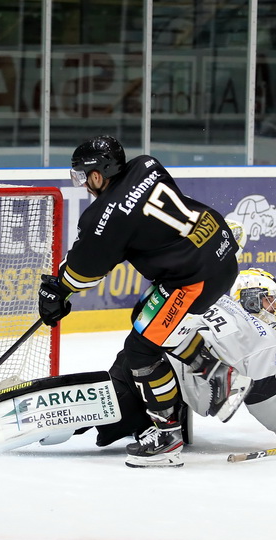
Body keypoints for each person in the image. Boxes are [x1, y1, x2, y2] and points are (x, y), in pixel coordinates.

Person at [0, 268, 276, 463]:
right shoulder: (267, 339)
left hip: (150, 371)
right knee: (82, 403)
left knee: (86, 404)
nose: (273, 308)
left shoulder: (214, 297)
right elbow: (264, 397)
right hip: (151, 377)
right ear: (247, 299)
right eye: (266, 299)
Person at [37, 135, 241, 467]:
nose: (84, 185)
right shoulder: (147, 164)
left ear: (98, 175)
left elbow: (83, 272)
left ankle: (166, 436)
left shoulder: (104, 216)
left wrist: (57, 291)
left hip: (193, 277)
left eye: (82, 176)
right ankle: (216, 372)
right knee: (147, 319)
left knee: (141, 350)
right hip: (219, 246)